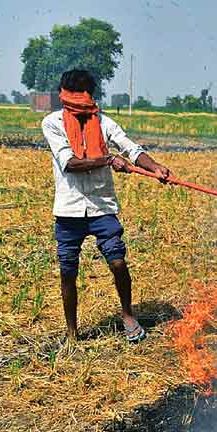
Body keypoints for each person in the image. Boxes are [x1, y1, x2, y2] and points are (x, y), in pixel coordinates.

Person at [41, 69, 170, 342]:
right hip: (69, 209)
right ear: (65, 96)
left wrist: (155, 166)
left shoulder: (104, 123)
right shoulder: (52, 123)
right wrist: (108, 160)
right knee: (68, 271)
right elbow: (70, 163)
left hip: (102, 207)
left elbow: (132, 150)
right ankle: (72, 333)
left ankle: (127, 316)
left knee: (119, 263)